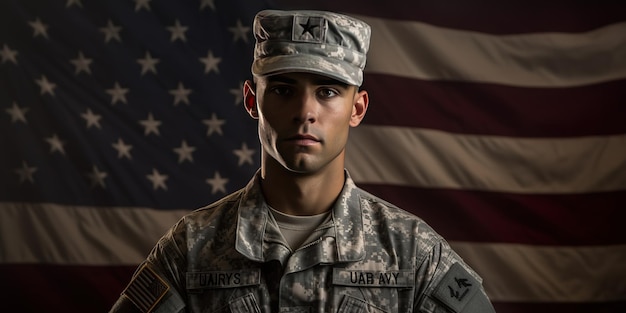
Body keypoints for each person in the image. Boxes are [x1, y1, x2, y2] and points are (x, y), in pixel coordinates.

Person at [109, 9, 496, 313]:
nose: (305, 112)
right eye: (282, 90)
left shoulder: (412, 252)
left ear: (357, 108)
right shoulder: (193, 248)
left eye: (327, 91)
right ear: (251, 101)